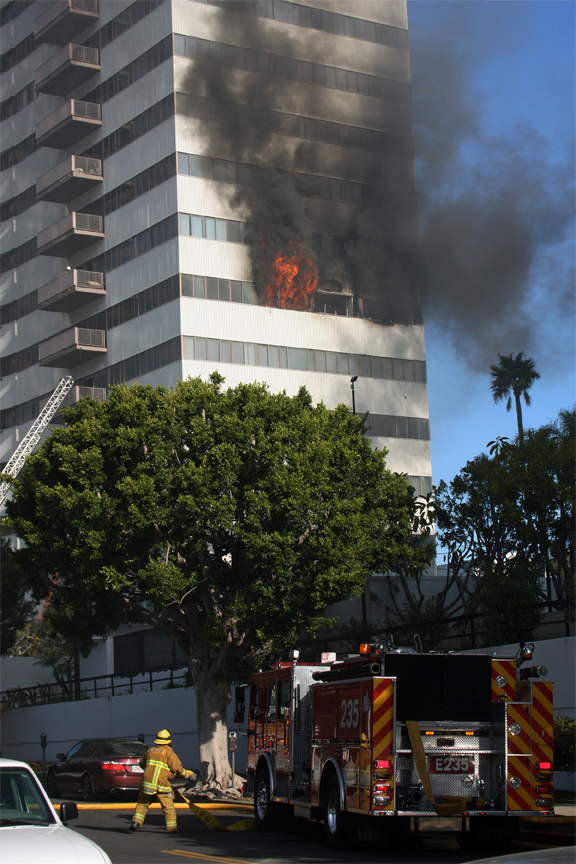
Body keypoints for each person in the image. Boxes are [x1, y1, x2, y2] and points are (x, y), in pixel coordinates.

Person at [130, 729, 194, 833]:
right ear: (169, 741)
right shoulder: (169, 754)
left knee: (142, 803)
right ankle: (171, 828)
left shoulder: (150, 751)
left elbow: (142, 764)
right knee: (168, 807)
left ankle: (135, 821)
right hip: (161, 785)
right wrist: (189, 775)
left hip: (147, 784)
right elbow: (178, 769)